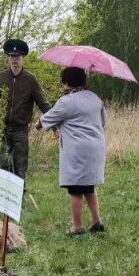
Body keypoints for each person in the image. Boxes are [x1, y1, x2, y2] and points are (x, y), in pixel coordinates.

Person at [37, 67, 107, 235]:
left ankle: (77, 226)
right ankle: (97, 221)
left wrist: (37, 125)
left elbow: (47, 119)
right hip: (96, 147)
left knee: (75, 188)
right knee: (89, 185)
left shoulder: (66, 101)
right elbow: (103, 122)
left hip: (77, 149)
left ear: (67, 83)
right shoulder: (96, 98)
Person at [0, 39, 51, 180]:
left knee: (20, 167)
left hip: (21, 130)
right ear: (9, 58)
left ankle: (20, 196)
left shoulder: (30, 79)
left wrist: (55, 124)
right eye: (12, 57)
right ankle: (4, 198)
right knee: (3, 165)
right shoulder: (1, 78)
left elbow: (43, 103)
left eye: (18, 57)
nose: (14, 60)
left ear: (23, 59)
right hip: (4, 128)